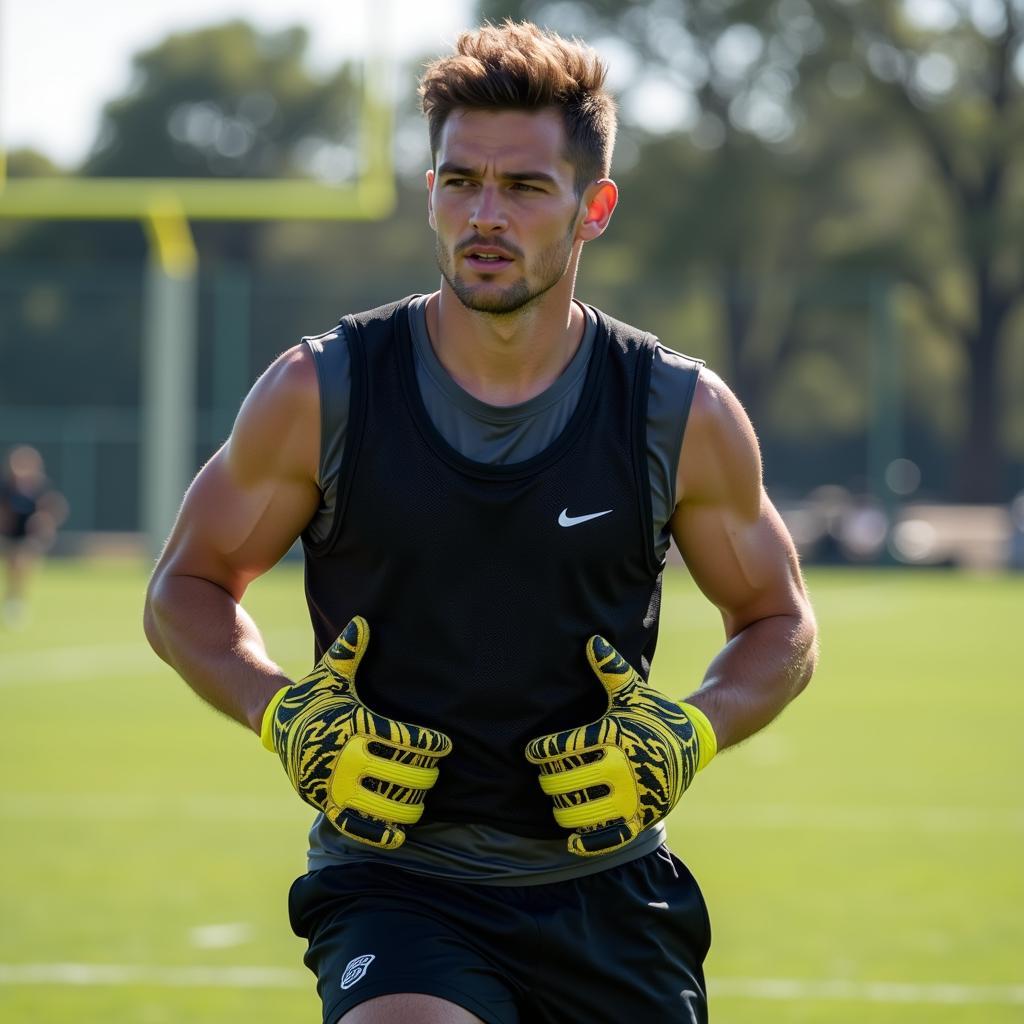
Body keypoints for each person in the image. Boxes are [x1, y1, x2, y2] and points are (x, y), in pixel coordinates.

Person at [144, 21, 817, 1024]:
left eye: (523, 188)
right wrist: (277, 710)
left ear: (593, 208)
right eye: (458, 181)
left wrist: (693, 731)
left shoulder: (677, 411)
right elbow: (185, 587)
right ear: (429, 192)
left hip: (609, 889)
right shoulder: (322, 390)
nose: (483, 214)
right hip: (396, 882)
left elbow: (779, 621)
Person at [1, 444, 67, 627]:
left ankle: (16, 602)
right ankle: (13, 601)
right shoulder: (6, 486)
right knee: (13, 567)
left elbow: (54, 508)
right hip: (8, 534)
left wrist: (45, 521)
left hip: (28, 536)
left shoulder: (40, 487)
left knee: (22, 566)